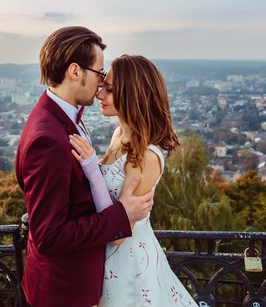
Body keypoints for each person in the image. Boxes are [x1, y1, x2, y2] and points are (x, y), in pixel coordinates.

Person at [15, 27, 155, 307]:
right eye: (99, 73)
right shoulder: (49, 138)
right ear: (75, 71)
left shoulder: (58, 115)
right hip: (64, 291)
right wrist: (121, 215)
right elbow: (49, 236)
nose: (101, 83)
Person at [69, 54, 199, 307]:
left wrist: (91, 167)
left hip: (128, 263)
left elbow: (118, 232)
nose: (99, 95)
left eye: (110, 90)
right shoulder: (119, 133)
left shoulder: (147, 156)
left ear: (133, 94)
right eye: (102, 86)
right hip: (104, 257)